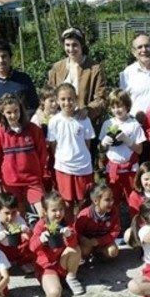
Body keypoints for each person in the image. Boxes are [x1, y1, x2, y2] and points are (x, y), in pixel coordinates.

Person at [0, 94, 48, 218]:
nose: (13, 115)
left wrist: (39, 171)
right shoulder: (0, 133)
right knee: (17, 217)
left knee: (43, 213)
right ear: (2, 113)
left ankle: (41, 236)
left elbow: (42, 153)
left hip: (32, 180)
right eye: (9, 112)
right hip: (11, 182)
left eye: (16, 111)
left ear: (20, 109)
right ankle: (22, 237)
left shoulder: (33, 129)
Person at [47, 83, 96, 222]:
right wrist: (62, 158)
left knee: (84, 201)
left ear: (76, 99)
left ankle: (83, 227)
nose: (66, 102)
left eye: (70, 99)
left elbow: (87, 143)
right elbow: (53, 145)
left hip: (83, 167)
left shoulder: (84, 119)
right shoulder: (54, 121)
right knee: (66, 202)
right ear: (57, 100)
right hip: (63, 167)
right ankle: (70, 231)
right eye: (62, 99)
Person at [29, 192, 85, 297]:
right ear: (45, 212)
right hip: (47, 266)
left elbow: (73, 245)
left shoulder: (65, 224)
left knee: (75, 249)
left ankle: (70, 277)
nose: (58, 213)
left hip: (61, 262)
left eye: (61, 209)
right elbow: (31, 247)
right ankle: (51, 281)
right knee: (55, 294)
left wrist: (69, 235)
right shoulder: (41, 226)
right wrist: (41, 239)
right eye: (54, 210)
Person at [47, 27, 107, 123]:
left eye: (75, 45)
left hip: (84, 121)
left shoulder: (95, 68)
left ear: (82, 45)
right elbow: (49, 94)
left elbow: (101, 99)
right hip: (61, 121)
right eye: (67, 45)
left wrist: (88, 110)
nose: (71, 49)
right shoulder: (57, 68)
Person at [98, 89, 146, 207]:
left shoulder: (134, 125)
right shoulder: (107, 124)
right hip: (113, 170)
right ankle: (114, 225)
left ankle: (136, 224)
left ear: (127, 106)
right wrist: (104, 143)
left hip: (130, 170)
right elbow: (101, 150)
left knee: (134, 201)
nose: (116, 110)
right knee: (112, 202)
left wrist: (127, 140)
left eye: (119, 106)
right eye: (113, 107)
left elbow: (139, 150)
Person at [0, 39, 38, 113]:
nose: (1, 60)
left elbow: (34, 107)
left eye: (4, 56)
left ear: (10, 58)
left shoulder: (24, 79)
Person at [0, 193, 33, 273]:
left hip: (14, 248)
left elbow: (29, 236)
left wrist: (26, 231)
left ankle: (24, 262)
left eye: (13, 212)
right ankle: (0, 264)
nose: (10, 217)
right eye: (6, 213)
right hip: (1, 250)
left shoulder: (18, 219)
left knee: (27, 238)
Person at [74, 184, 121, 261]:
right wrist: (83, 239)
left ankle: (98, 254)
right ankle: (86, 256)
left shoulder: (114, 211)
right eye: (107, 200)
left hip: (103, 242)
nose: (111, 202)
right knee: (84, 251)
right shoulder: (85, 215)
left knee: (113, 251)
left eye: (112, 199)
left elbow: (115, 230)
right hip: (87, 243)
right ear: (96, 201)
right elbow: (76, 232)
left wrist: (99, 241)